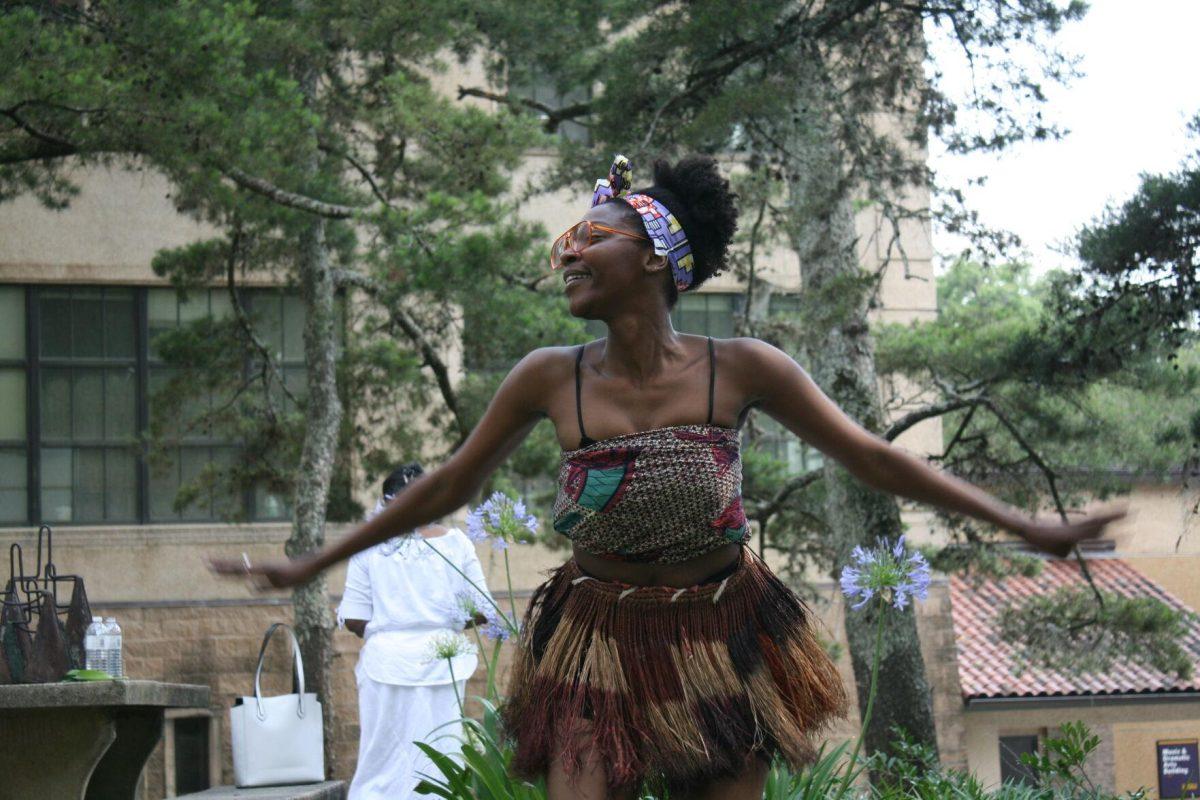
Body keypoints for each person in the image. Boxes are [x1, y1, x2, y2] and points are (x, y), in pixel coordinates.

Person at [213, 154, 1125, 800]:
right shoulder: (549, 374)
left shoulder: (743, 366)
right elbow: (448, 485)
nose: (567, 252)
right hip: (595, 639)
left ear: (654, 257)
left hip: (720, 641)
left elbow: (874, 457)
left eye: (590, 237)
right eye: (568, 240)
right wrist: (312, 564)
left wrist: (1029, 526)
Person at [337, 463, 494, 800]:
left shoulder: (369, 545)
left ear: (386, 502)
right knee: (440, 759)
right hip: (443, 661)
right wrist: (444, 621)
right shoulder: (457, 543)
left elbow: (353, 616)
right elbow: (483, 610)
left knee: (380, 760)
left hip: (387, 663)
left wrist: (392, 624)